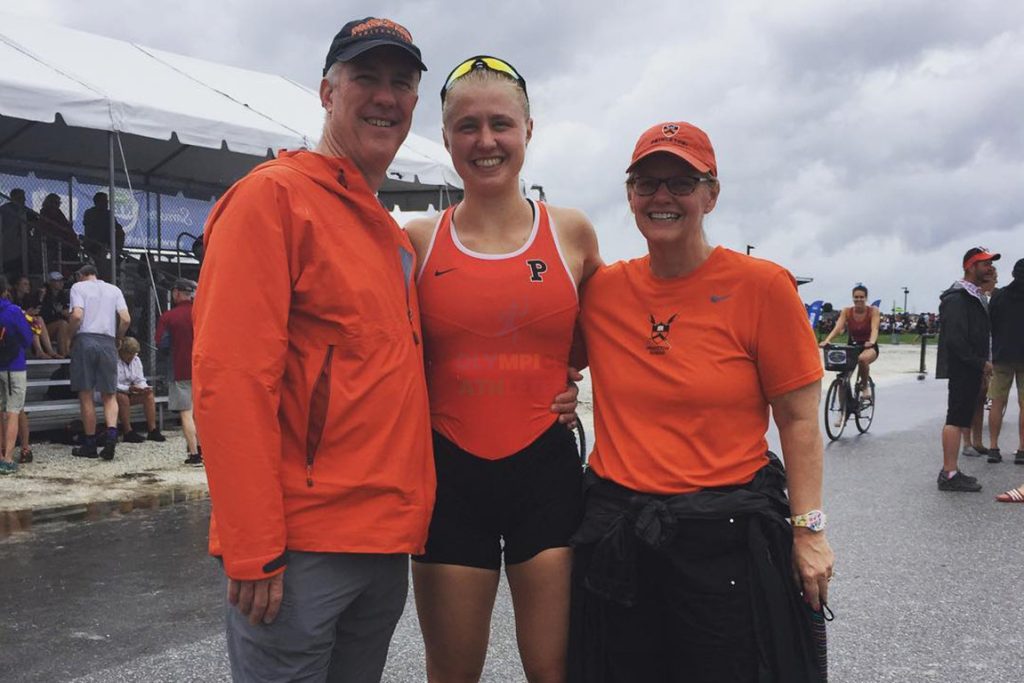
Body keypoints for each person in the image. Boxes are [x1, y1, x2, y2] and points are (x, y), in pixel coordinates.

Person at [193, 18, 437, 682]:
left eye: (401, 82)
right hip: (301, 553)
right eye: (366, 78)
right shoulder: (271, 199)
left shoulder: (389, 237)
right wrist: (252, 546)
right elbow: (230, 378)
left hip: (383, 545)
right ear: (327, 92)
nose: (386, 97)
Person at [571, 122, 834, 682]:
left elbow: (798, 420)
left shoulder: (763, 287)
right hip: (620, 530)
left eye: (681, 183)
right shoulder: (601, 291)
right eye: (646, 183)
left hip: (724, 534)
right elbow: (547, 359)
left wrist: (809, 531)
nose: (661, 197)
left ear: (711, 194)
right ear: (629, 195)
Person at [404, 55, 601, 683]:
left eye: (500, 124)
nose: (485, 141)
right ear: (445, 138)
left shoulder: (571, 234)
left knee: (555, 670)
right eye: (467, 126)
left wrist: (569, 384)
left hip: (544, 473)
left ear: (528, 130)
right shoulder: (417, 240)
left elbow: (608, 340)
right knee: (453, 672)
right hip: (448, 478)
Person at [934, 247, 998, 492]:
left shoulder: (973, 294)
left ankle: (952, 470)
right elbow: (955, 339)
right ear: (970, 266)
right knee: (956, 418)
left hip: (970, 365)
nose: (990, 267)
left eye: (990, 263)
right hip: (964, 366)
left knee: (960, 417)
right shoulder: (958, 297)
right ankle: (949, 473)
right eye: (985, 263)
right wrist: (979, 362)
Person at [68, 264, 130, 461]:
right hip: (107, 341)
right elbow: (126, 319)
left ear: (81, 275)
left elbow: (77, 315)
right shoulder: (114, 289)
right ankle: (112, 434)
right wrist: (118, 337)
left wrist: (70, 336)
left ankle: (90, 444)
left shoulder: (78, 288)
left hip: (85, 339)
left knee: (86, 394)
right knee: (109, 395)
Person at [155, 278, 198, 464]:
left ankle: (194, 453)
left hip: (180, 369)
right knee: (199, 413)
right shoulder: (201, 313)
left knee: (186, 412)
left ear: (176, 293)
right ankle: (203, 448)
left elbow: (162, 344)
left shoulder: (168, 317)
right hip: (201, 369)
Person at [987, 257, 1024, 466]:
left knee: (997, 402)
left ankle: (993, 447)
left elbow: (990, 323)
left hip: (1002, 355)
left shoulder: (999, 297)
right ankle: (1021, 449)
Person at [818, 284, 880, 398]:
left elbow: (875, 328)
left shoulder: (873, 311)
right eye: (856, 297)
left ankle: (865, 386)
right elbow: (838, 328)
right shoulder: (846, 311)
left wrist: (871, 341)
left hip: (869, 346)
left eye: (861, 297)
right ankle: (843, 411)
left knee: (862, 359)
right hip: (853, 346)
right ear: (852, 297)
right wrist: (827, 340)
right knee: (843, 377)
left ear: (866, 298)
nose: (859, 299)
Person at [0, 276, 35, 475]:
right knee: (13, 411)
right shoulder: (12, 310)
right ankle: (7, 459)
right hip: (14, 365)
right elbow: (27, 338)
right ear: (5, 290)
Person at [114, 336, 166, 444]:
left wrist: (143, 388)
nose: (132, 357)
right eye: (129, 354)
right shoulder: (113, 360)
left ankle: (152, 430)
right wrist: (128, 388)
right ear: (122, 352)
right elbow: (112, 384)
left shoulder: (136, 359)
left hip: (130, 391)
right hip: (114, 394)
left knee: (149, 395)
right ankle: (128, 431)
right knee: (122, 397)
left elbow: (140, 379)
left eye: (133, 354)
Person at [0, 189, 37, 276]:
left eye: (23, 197)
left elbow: (36, 220)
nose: (24, 200)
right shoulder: (4, 210)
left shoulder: (26, 210)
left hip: (22, 246)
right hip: (8, 244)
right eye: (21, 197)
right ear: (13, 197)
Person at [39, 271, 72, 357]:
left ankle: (68, 352)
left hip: (59, 328)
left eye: (62, 281)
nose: (61, 283)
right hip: (44, 329)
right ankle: (64, 353)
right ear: (50, 282)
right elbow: (40, 313)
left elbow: (66, 311)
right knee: (62, 324)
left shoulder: (62, 296)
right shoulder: (43, 295)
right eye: (58, 281)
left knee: (69, 322)